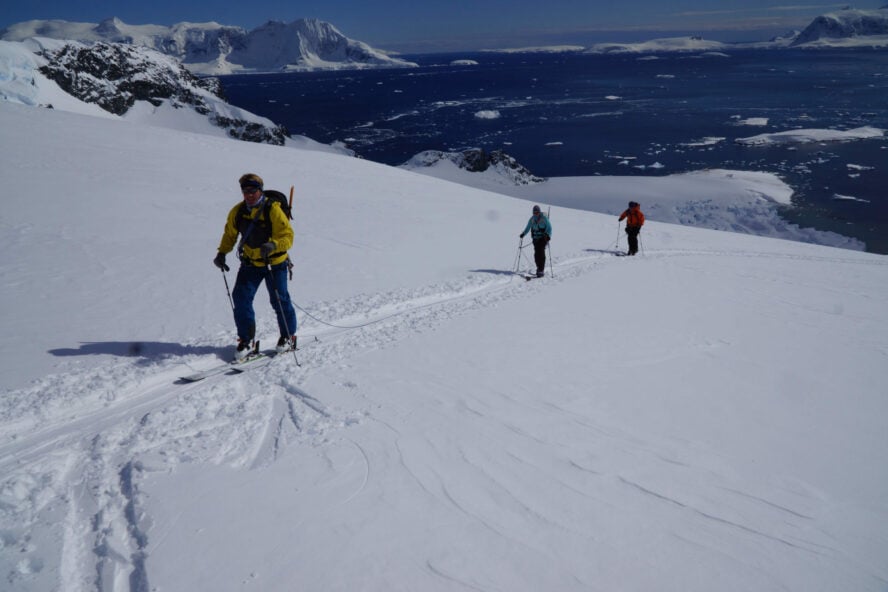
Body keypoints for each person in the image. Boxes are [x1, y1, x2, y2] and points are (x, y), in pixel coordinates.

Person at [213, 173, 298, 359]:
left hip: (275, 263)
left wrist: (274, 245)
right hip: (251, 263)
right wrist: (222, 253)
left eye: (253, 190)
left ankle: (288, 336)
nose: (249, 194)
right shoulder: (238, 211)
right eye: (245, 191)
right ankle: (246, 340)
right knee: (241, 298)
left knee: (279, 299)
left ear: (260, 190)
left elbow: (287, 236)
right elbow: (230, 234)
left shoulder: (273, 209)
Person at [519, 205, 552, 277]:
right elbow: (528, 228)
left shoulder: (544, 219)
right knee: (536, 255)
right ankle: (538, 268)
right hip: (535, 239)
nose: (536, 214)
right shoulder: (532, 219)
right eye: (534, 212)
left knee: (541, 253)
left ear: (539, 212)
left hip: (543, 238)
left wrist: (548, 236)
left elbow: (549, 228)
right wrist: (523, 234)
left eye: (537, 212)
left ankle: (541, 270)